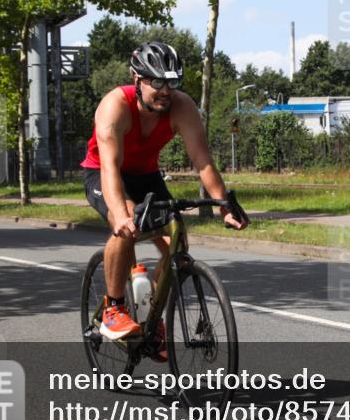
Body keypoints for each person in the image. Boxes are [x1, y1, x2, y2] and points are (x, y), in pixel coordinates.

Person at [81, 41, 247, 341]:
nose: (165, 91)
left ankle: (151, 318)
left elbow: (203, 161)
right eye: (157, 82)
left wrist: (223, 205)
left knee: (177, 246)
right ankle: (114, 309)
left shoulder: (182, 107)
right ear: (136, 78)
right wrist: (120, 215)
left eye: (171, 83)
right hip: (103, 172)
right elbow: (110, 167)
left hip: (147, 176)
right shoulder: (115, 106)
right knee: (127, 223)